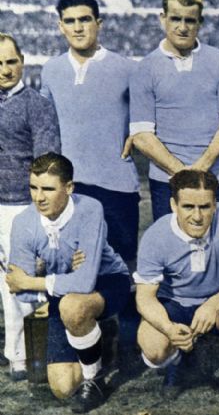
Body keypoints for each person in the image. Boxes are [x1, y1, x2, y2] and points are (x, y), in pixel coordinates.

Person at [6, 153, 130, 413]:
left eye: (48, 189)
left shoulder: (90, 209)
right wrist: (41, 280)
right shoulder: (23, 222)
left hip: (107, 281)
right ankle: (95, 337)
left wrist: (33, 279)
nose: (39, 197)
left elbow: (84, 282)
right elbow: (21, 292)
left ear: (69, 187)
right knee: (63, 387)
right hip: (60, 293)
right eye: (33, 187)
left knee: (73, 306)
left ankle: (94, 378)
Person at [134, 169, 219, 414]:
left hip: (218, 302)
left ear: (215, 204)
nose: (198, 216)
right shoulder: (156, 235)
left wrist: (213, 304)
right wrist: (168, 328)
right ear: (173, 205)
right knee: (153, 348)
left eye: (205, 207)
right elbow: (144, 298)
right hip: (175, 303)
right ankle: (178, 361)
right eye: (188, 207)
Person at [41, 0, 140, 270]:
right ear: (61, 26)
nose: (78, 27)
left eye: (85, 19)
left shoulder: (127, 69)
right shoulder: (51, 70)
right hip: (69, 185)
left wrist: (136, 134)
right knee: (72, 265)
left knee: (122, 267)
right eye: (70, 21)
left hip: (116, 183)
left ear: (99, 23)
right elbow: (45, 124)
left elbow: (149, 116)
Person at [130, 0, 219, 221]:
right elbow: (141, 135)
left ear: (199, 22)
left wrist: (201, 168)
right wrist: (182, 173)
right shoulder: (145, 68)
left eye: (190, 20)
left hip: (218, 178)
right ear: (163, 18)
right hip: (168, 181)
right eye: (175, 19)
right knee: (173, 244)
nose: (182, 27)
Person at [0, 33, 60, 379]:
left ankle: (23, 356)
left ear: (22, 62)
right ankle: (14, 350)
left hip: (20, 205)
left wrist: (41, 211)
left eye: (12, 61)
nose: (6, 69)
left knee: (19, 281)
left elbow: (47, 163)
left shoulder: (37, 104)